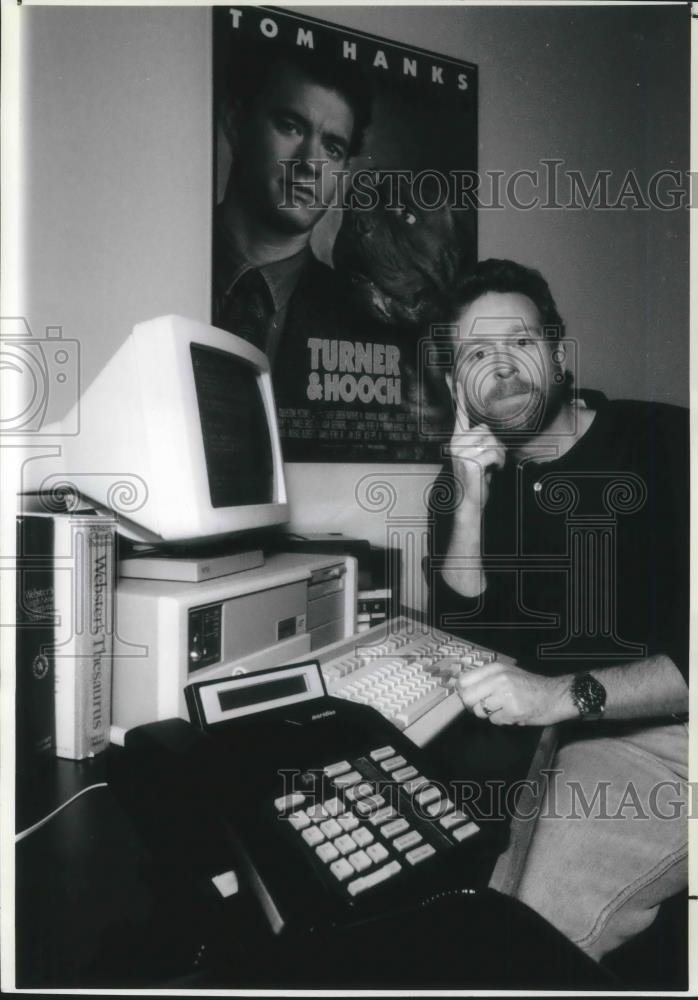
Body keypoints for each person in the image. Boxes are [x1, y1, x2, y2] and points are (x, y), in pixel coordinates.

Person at [426, 258, 688, 961]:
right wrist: (472, 504)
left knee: (533, 933)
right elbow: (464, 645)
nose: (502, 366)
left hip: (672, 735)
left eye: (521, 342)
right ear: (457, 386)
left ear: (558, 353)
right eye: (478, 354)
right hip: (549, 736)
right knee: (454, 899)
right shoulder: (462, 485)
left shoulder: (667, 445)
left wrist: (551, 697)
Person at [213, 42, 372, 367]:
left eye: (332, 148)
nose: (311, 163)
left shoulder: (364, 319)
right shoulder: (156, 260)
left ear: (343, 172)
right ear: (234, 123)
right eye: (291, 126)